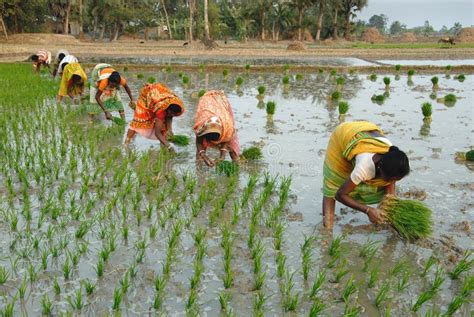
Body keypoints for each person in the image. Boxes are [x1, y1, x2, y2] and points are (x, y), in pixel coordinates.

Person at [322, 121, 410, 229]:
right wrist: (368, 210)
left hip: (364, 131)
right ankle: (327, 229)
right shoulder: (364, 167)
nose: (392, 183)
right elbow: (340, 195)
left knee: (387, 192)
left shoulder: (393, 156)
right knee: (334, 183)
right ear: (380, 169)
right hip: (343, 135)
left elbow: (390, 198)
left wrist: (396, 223)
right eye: (391, 179)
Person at [125, 83, 185, 151]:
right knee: (138, 120)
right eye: (171, 113)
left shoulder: (176, 104)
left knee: (164, 127)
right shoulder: (161, 110)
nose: (172, 115)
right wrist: (169, 147)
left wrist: (170, 129)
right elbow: (157, 133)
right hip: (146, 97)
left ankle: (163, 147)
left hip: (157, 95)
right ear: (167, 109)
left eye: (174, 114)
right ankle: (126, 143)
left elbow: (170, 116)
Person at [194, 90, 240, 167]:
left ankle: (236, 168)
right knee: (200, 151)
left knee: (232, 149)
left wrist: (222, 157)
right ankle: (199, 169)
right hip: (207, 103)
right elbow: (198, 141)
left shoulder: (228, 127)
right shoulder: (201, 126)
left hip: (220, 104)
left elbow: (226, 140)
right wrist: (204, 156)